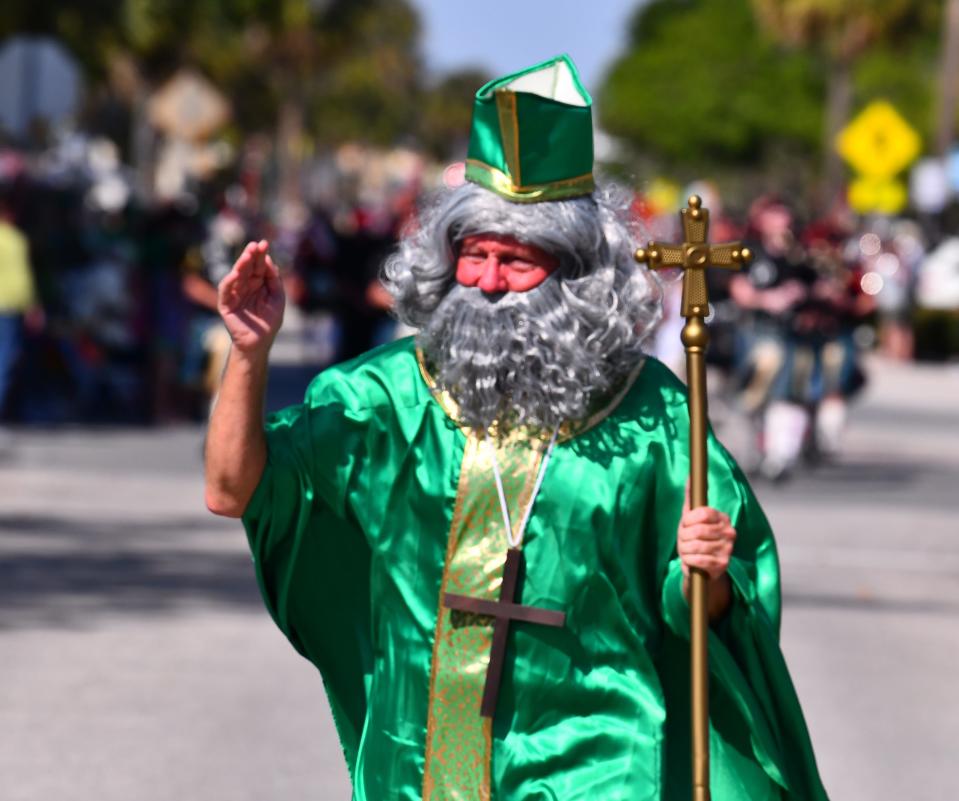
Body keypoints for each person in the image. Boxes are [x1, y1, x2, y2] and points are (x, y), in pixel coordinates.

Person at [205, 55, 828, 800]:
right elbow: (232, 489)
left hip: (601, 757)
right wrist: (249, 353)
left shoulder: (653, 414)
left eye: (516, 259)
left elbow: (710, 611)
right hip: (427, 758)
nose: (490, 282)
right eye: (473, 255)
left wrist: (708, 575)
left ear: (574, 272)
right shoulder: (383, 398)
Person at [0, 192, 44, 422]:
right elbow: (22, 278)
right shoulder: (16, 240)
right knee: (5, 359)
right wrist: (32, 306)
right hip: (9, 305)